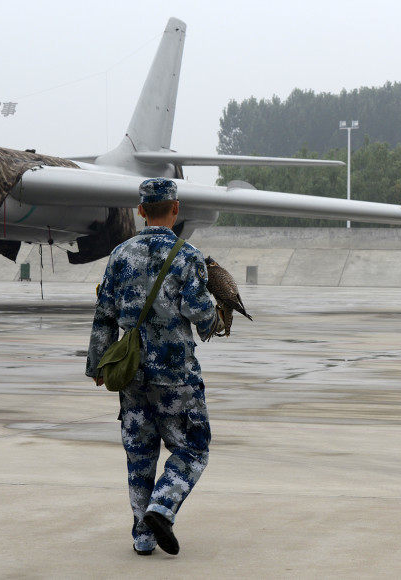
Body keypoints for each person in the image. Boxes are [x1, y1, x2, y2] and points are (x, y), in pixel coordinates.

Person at [86, 177, 223, 556]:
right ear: (175, 209)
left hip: (131, 373)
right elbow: (200, 315)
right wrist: (216, 319)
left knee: (140, 454)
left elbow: (104, 315)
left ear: (141, 211)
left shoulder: (120, 255)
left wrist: (98, 365)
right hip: (176, 376)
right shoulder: (188, 255)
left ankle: (142, 537)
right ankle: (162, 506)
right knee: (194, 448)